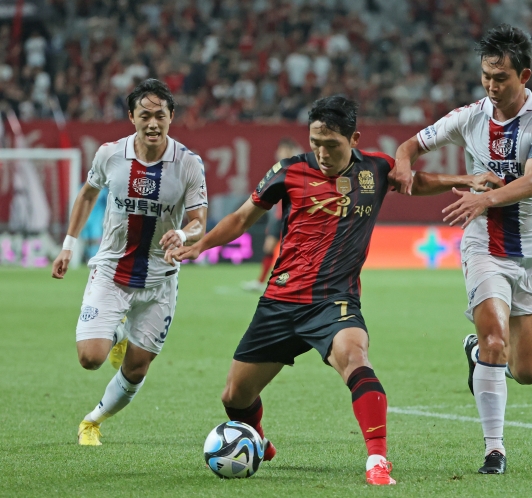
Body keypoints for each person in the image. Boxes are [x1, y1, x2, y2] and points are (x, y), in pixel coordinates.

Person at [169, 95, 496, 485]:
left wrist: (465, 180)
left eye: (332, 144)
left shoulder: (375, 169)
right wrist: (199, 245)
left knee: (355, 359)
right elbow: (241, 218)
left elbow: (415, 181)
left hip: (333, 301)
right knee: (234, 397)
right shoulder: (287, 172)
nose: (322, 152)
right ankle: (256, 438)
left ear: (354, 138)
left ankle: (377, 461)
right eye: (316, 143)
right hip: (280, 301)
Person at [395, 24, 532, 474]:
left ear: (524, 75)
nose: (492, 86)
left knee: (528, 371)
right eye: (486, 76)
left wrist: (482, 196)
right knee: (496, 339)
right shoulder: (471, 115)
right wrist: (403, 167)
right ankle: (495, 449)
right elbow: (409, 146)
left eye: (501, 77)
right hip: (484, 245)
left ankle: (477, 354)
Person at [51, 78, 208, 446]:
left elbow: (201, 221)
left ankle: (92, 421)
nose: (152, 123)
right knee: (90, 358)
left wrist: (183, 235)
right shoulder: (110, 154)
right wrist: (68, 245)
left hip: (160, 280)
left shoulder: (188, 163)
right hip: (111, 272)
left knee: (136, 368)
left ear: (172, 116)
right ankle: (116, 334)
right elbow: (88, 195)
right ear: (131, 117)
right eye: (144, 115)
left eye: (160, 115)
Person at [241, 137, 302, 292]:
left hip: (294, 218)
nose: (279, 153)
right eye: (279, 150)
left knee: (293, 252)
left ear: (290, 150)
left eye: (283, 149)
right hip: (279, 217)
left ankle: (295, 282)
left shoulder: (300, 169)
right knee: (268, 248)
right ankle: (261, 282)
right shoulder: (279, 169)